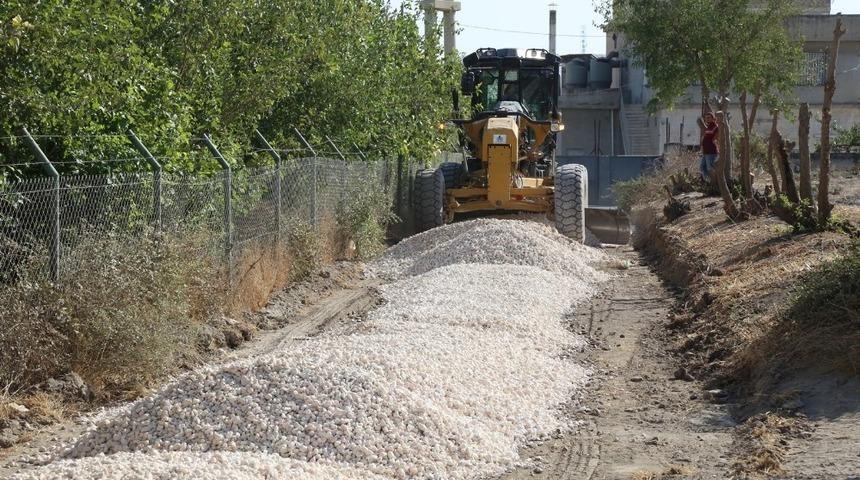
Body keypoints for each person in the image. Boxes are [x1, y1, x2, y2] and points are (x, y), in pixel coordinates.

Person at [700, 112, 719, 181]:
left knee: (710, 168)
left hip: (711, 151)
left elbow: (716, 137)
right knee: (702, 167)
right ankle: (708, 181)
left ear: (713, 119)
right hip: (705, 152)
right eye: (706, 118)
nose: (707, 119)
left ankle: (713, 181)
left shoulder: (715, 127)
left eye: (708, 118)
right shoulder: (708, 127)